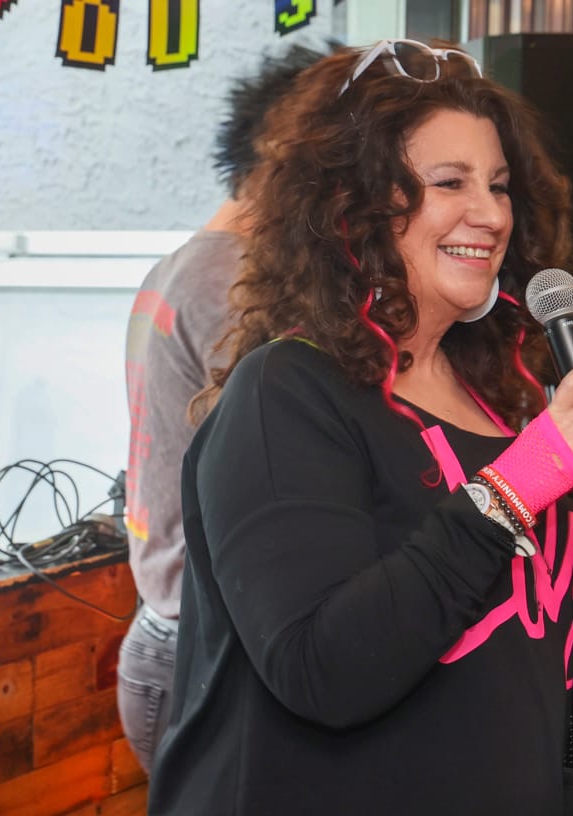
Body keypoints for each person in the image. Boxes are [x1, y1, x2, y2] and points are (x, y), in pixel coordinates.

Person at [148, 40, 573, 814]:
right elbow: (323, 670)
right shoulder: (285, 393)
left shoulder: (489, 396)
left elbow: (513, 635)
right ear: (353, 205)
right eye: (449, 183)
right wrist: (515, 488)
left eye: (499, 185)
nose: (490, 215)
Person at [119, 44, 327, 774]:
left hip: (179, 635)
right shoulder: (232, 280)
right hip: (198, 650)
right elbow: (287, 462)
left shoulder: (191, 262)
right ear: (285, 154)